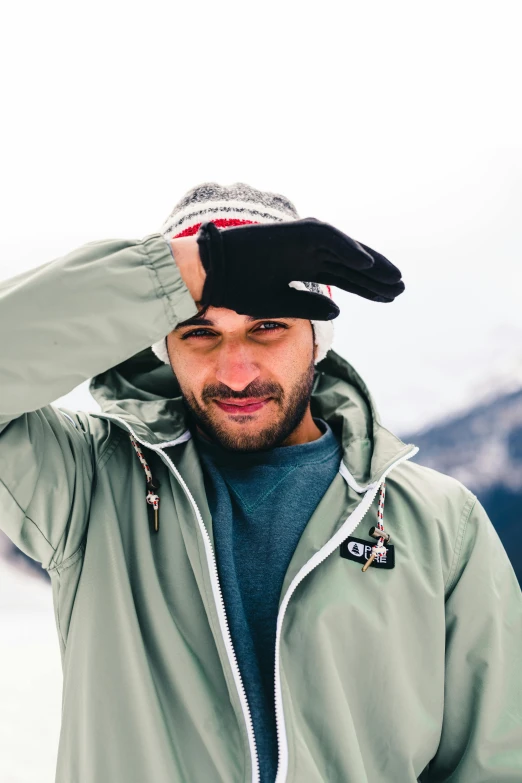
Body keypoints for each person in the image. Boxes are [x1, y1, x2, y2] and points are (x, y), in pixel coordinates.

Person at [0, 181, 520, 783]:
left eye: (267, 326)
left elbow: (495, 761)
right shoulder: (86, 481)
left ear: (316, 342)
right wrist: (196, 268)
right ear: (164, 346)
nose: (236, 371)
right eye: (199, 331)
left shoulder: (437, 521)